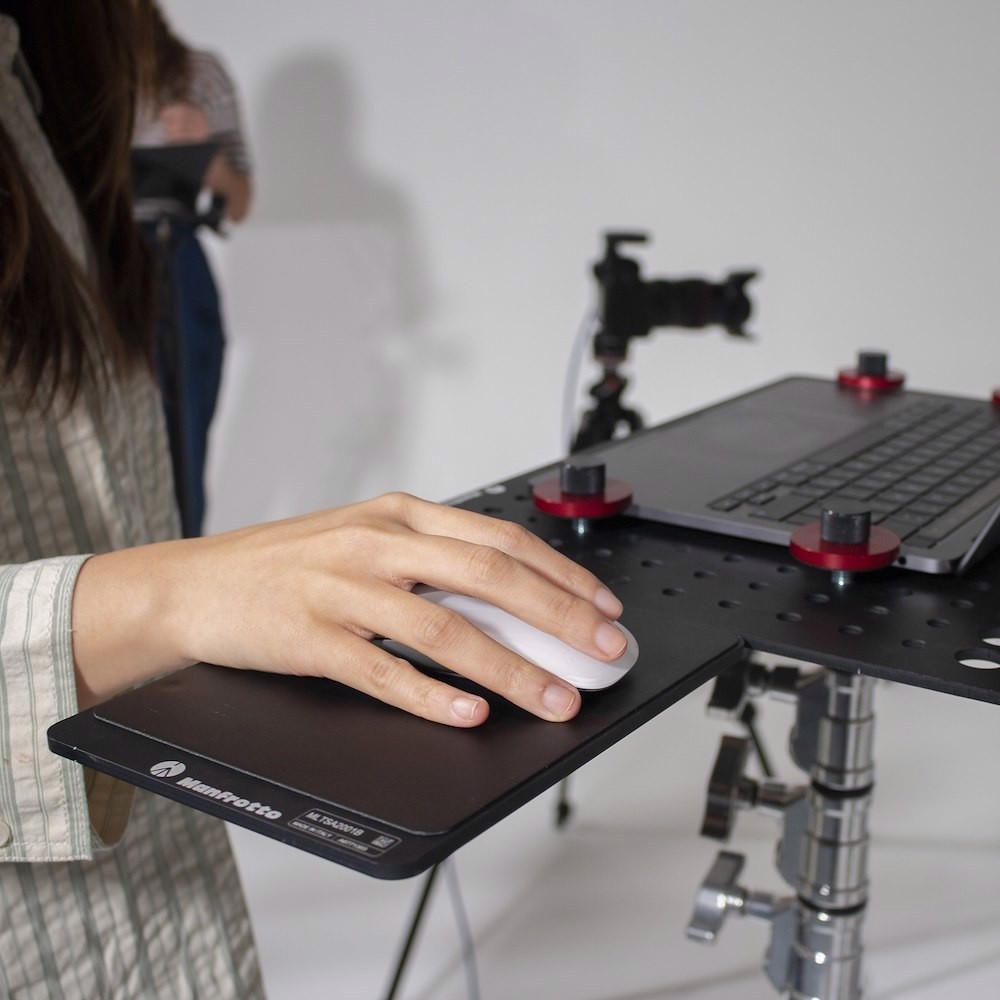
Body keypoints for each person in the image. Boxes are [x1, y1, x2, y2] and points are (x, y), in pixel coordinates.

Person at [0, 3, 629, 996]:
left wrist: (173, 593)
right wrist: (171, 599)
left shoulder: (55, 78)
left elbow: (240, 201)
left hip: (170, 910)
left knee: (175, 483)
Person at [132, 1, 253, 537]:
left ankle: (180, 562)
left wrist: (207, 157)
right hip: (86, 264)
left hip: (170, 259)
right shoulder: (58, 72)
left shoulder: (198, 73)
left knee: (182, 436)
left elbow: (241, 199)